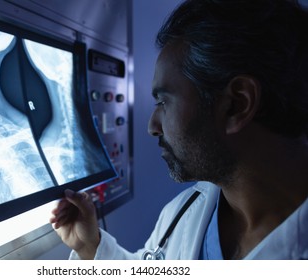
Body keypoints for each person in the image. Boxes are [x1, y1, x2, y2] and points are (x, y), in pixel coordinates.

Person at [49, 0, 308, 260]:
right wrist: (90, 246)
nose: (152, 127)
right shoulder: (186, 210)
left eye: (163, 101)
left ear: (236, 104)